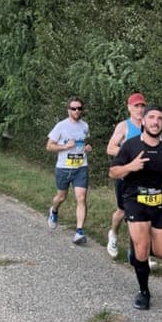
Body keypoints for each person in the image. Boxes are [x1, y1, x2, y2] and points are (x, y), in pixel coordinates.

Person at [109, 105, 162, 310]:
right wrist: (129, 167)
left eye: (160, 118)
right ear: (143, 121)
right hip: (135, 200)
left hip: (159, 201)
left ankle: (138, 243)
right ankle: (144, 293)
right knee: (142, 251)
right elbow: (113, 172)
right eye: (151, 117)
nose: (155, 122)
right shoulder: (131, 146)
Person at [105, 92, 147, 261]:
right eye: (136, 106)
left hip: (145, 179)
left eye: (142, 105)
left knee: (143, 213)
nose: (140, 109)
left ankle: (138, 252)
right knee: (123, 211)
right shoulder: (124, 126)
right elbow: (110, 148)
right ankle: (113, 235)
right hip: (126, 176)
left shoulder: (150, 125)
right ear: (129, 108)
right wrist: (130, 156)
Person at [46, 97, 92, 244]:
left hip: (80, 167)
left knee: (81, 197)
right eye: (74, 108)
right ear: (68, 110)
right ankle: (53, 210)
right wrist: (65, 147)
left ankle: (79, 232)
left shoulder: (85, 125)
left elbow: (86, 142)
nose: (77, 111)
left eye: (79, 108)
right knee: (61, 197)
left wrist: (87, 147)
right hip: (64, 167)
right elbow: (49, 146)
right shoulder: (61, 126)